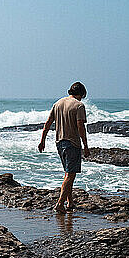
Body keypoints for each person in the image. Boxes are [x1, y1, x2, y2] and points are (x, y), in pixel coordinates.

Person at [38, 82, 90, 214]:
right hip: (72, 143)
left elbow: (48, 123)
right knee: (70, 175)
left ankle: (70, 202)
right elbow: (81, 127)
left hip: (59, 142)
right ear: (82, 93)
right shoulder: (79, 106)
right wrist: (85, 145)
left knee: (68, 173)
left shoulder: (58, 103)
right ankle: (60, 203)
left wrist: (42, 140)